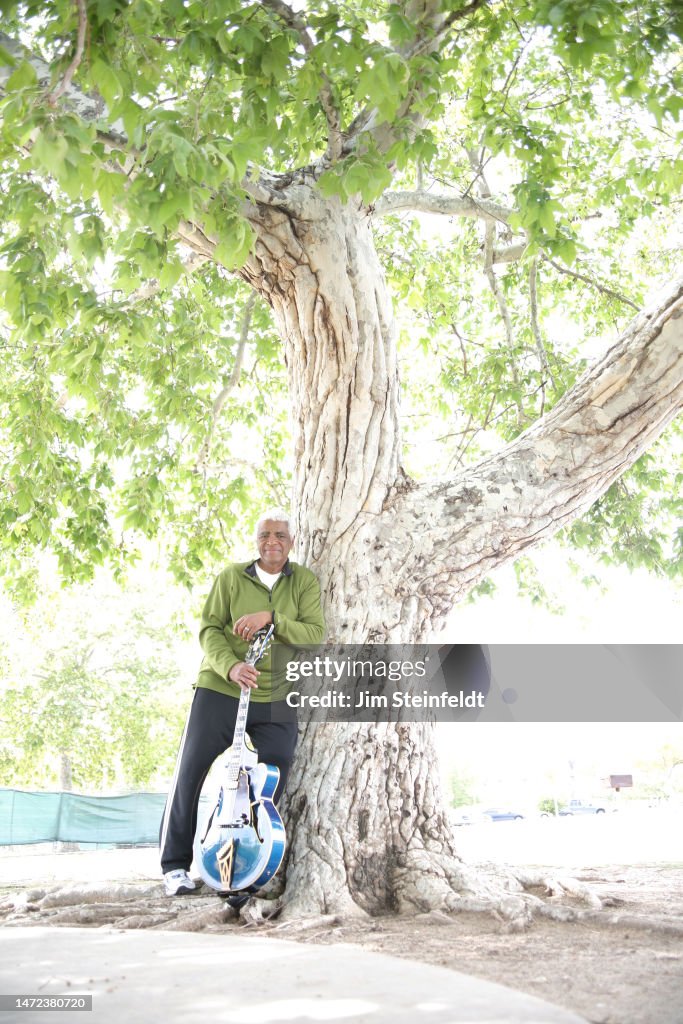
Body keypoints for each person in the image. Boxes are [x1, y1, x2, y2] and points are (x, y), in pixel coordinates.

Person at [160, 508, 325, 899]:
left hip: (275, 695)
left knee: (274, 773)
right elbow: (209, 630)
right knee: (191, 771)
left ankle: (247, 862)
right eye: (265, 534)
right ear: (256, 541)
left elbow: (314, 635)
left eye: (280, 535)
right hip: (221, 689)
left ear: (292, 541)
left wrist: (272, 618)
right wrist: (231, 667)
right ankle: (175, 867)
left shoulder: (303, 581)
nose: (272, 542)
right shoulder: (231, 577)